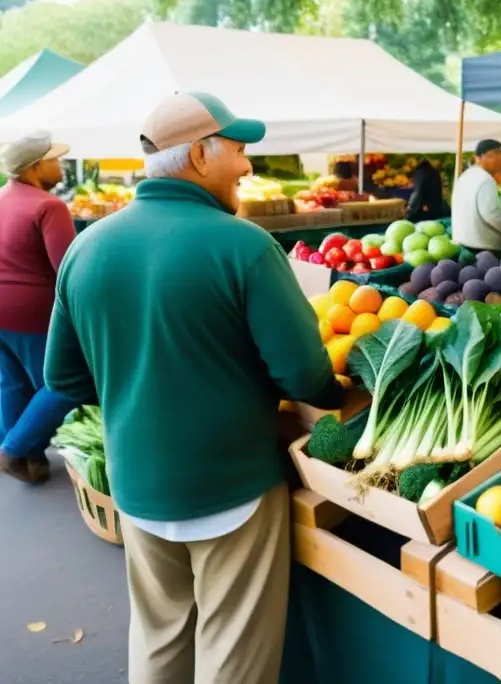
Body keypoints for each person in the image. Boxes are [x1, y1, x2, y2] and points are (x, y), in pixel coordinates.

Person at [44, 92, 347, 684]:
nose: (247, 165)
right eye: (238, 149)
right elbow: (308, 379)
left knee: (158, 636)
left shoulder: (87, 248)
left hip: (136, 484)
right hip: (233, 486)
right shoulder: (246, 246)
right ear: (200, 158)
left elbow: (65, 378)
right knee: (233, 650)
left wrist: (141, 385)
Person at [0, 132, 78, 483]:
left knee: (12, 383)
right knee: (67, 381)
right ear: (35, 167)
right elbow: (69, 267)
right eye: (54, 159)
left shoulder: (2, 197)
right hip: (33, 313)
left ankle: (28, 460)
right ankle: (14, 450)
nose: (60, 165)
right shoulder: (49, 206)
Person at [451, 139, 501, 253]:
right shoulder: (485, 179)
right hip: (483, 247)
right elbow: (492, 216)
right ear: (485, 157)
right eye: (500, 158)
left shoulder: (466, 175)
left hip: (463, 243)